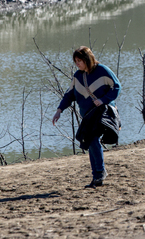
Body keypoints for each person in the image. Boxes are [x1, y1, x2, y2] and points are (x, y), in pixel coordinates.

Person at [52, 46, 121, 188]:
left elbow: (117, 86)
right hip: (87, 115)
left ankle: (100, 172)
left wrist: (104, 99)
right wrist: (59, 110)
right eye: (75, 61)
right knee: (90, 141)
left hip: (102, 112)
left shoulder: (102, 70)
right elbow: (69, 95)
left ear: (87, 59)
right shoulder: (78, 76)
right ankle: (97, 176)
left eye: (80, 60)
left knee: (93, 139)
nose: (77, 64)